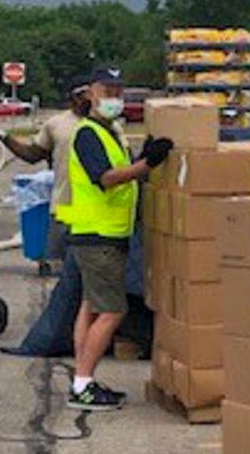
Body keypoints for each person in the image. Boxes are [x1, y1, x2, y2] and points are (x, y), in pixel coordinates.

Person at [66, 67, 172, 410]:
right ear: (89, 93)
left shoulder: (110, 132)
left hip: (102, 234)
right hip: (99, 235)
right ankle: (82, 384)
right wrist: (147, 166)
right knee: (112, 310)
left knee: (90, 306)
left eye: (117, 91)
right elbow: (107, 178)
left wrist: (142, 158)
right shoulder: (87, 135)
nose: (113, 97)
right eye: (106, 90)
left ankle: (83, 379)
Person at [0, 77, 93, 261]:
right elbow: (33, 154)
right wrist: (5, 138)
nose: (94, 98)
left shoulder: (110, 125)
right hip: (65, 205)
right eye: (88, 94)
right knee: (58, 264)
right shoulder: (56, 124)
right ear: (75, 97)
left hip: (98, 209)